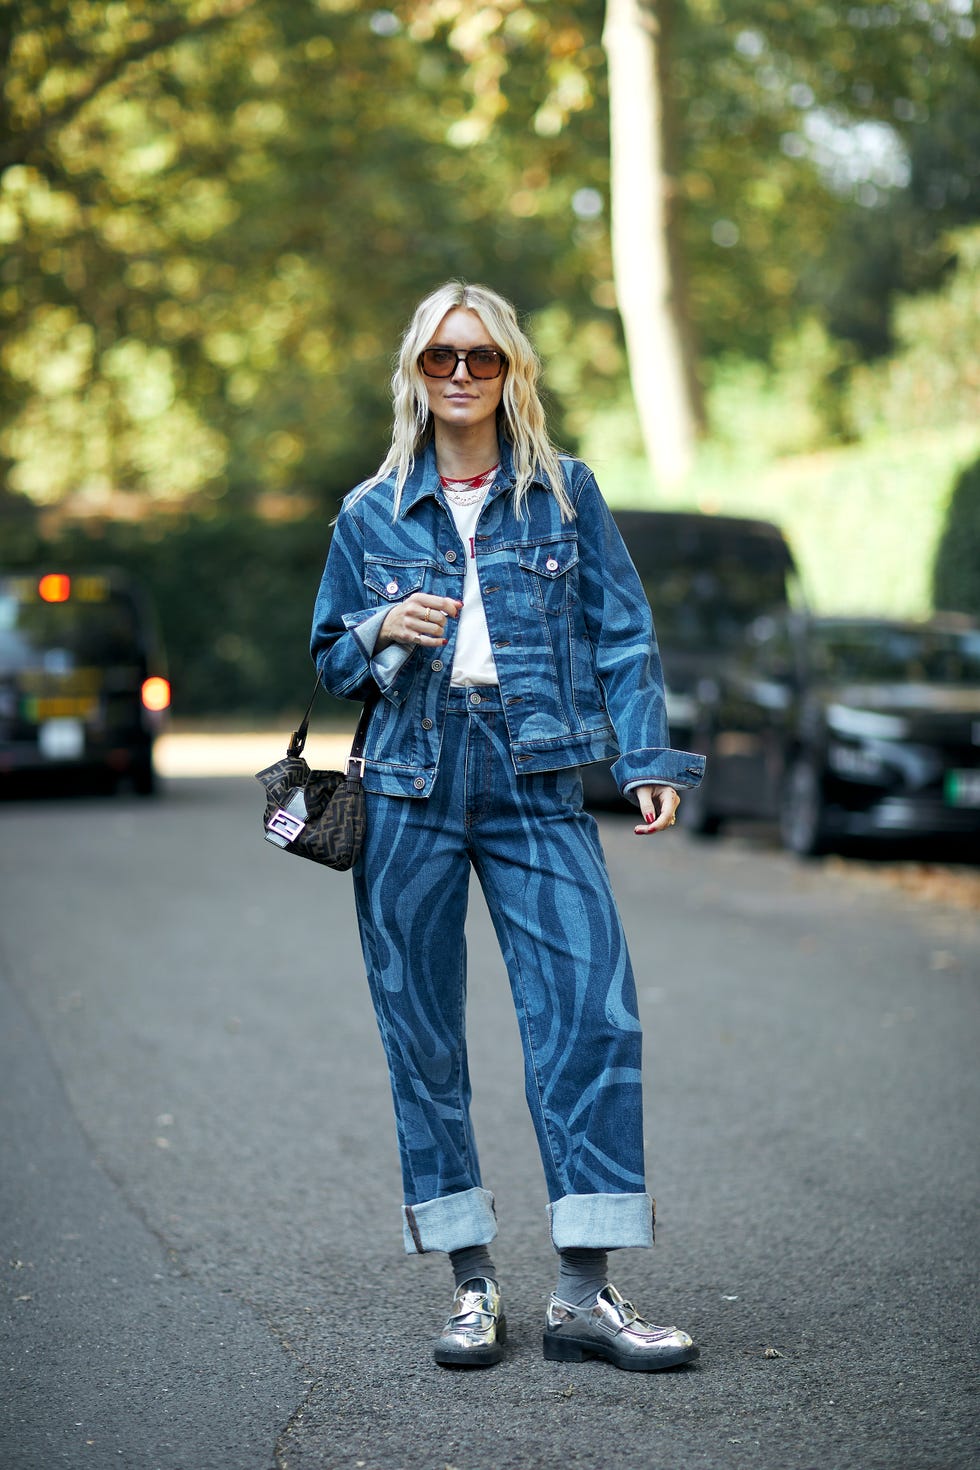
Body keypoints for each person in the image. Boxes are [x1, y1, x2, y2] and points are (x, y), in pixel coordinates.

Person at [310, 281, 705, 1372]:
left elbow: (622, 634)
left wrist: (644, 761)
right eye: (439, 357)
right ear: (414, 372)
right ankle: (470, 1282)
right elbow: (331, 657)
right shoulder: (369, 509)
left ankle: (584, 1293)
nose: (458, 375)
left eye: (479, 358)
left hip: (536, 776)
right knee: (422, 1037)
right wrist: (380, 622)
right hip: (407, 781)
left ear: (509, 372)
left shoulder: (564, 494)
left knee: (590, 1017)